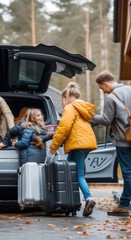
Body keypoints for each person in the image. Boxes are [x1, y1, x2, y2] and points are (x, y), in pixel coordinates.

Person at [92, 70, 131, 218]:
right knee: (130, 170)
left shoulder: (111, 98)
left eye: (102, 89)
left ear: (105, 84)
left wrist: (92, 117)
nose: (103, 92)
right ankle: (124, 204)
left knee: (127, 172)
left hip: (123, 139)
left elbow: (106, 120)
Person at [49, 82, 97, 217]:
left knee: (78, 174)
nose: (63, 102)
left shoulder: (70, 107)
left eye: (63, 99)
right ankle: (73, 202)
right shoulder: (83, 107)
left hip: (78, 145)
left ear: (67, 96)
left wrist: (54, 147)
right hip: (84, 144)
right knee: (70, 173)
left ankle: (88, 199)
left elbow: (64, 128)